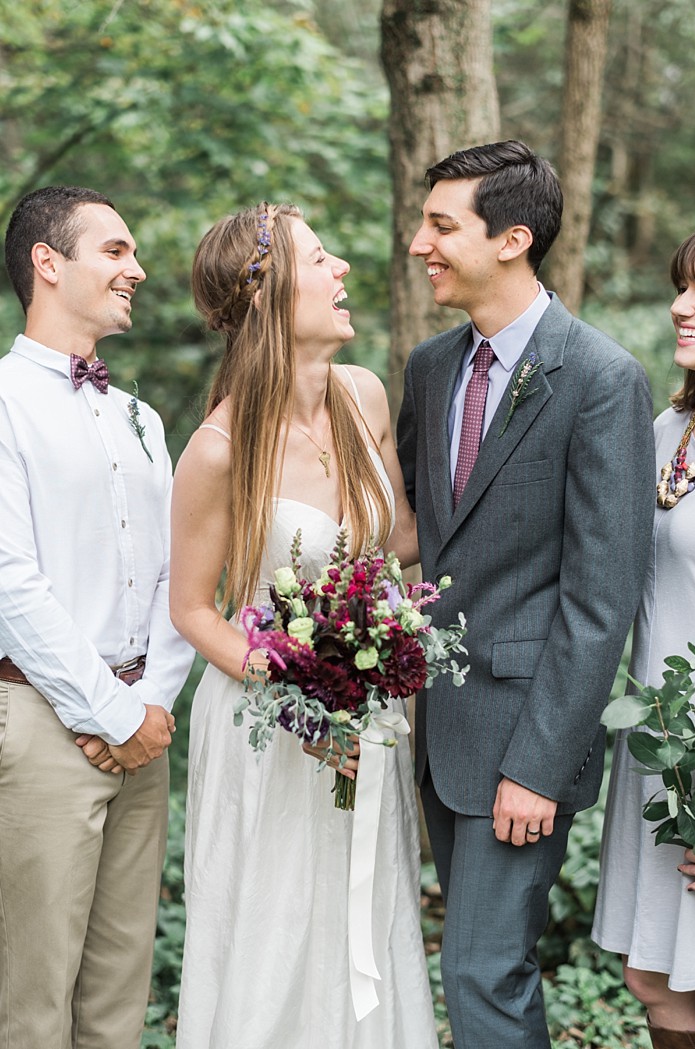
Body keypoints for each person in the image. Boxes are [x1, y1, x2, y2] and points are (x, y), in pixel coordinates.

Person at [396, 140, 656, 1049]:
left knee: (481, 967)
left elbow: (601, 595)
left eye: (440, 224)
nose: (419, 242)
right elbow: (420, 537)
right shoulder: (430, 369)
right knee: (476, 965)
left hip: (526, 744)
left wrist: (539, 763)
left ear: (512, 238)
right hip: (436, 732)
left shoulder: (602, 379)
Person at [170, 202, 437, 1049]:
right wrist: (295, 694)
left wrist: (387, 655)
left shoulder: (364, 396)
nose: (343, 270)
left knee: (364, 923)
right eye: (321, 260)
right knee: (275, 935)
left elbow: (399, 551)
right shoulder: (219, 448)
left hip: (368, 724)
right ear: (269, 297)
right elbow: (193, 610)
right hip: (269, 732)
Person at [0, 185, 194, 1049]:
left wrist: (149, 705)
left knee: (117, 1000)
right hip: (43, 727)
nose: (137, 269)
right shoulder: (3, 401)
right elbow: (10, 582)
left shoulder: (140, 418)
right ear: (48, 262)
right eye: (115, 250)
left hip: (142, 730)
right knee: (31, 1001)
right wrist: (107, 713)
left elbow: (177, 572)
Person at [593, 230, 695, 1049]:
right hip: (659, 748)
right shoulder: (666, 431)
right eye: (680, 286)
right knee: (659, 979)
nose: (680, 305)